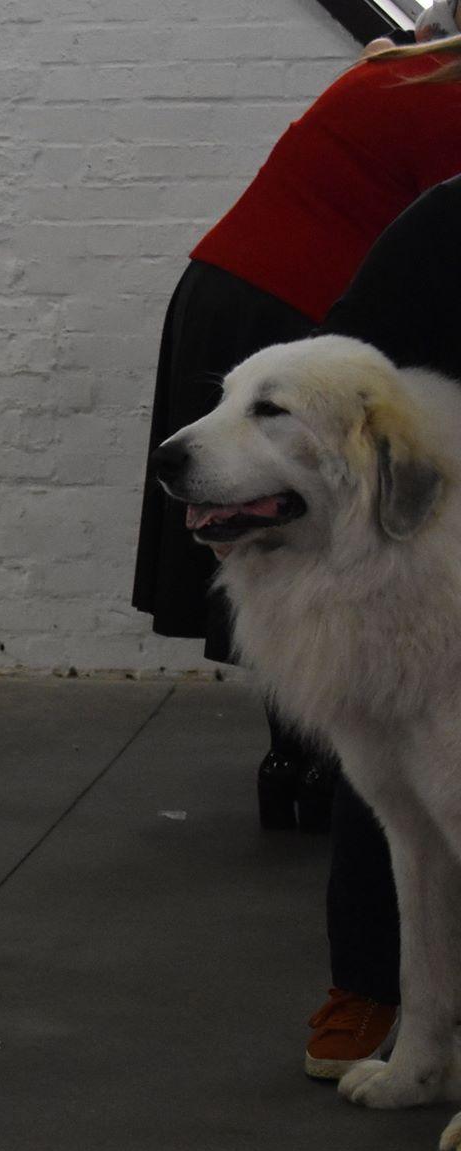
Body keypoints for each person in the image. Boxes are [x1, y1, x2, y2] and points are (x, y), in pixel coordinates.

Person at [130, 38, 461, 833]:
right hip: (295, 310)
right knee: (294, 522)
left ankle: (306, 755)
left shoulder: (397, 67)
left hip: (243, 293)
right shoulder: (447, 102)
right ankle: (320, 754)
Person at [297, 161, 461, 1080]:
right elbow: (331, 387)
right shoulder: (443, 224)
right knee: (396, 801)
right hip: (419, 547)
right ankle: (380, 995)